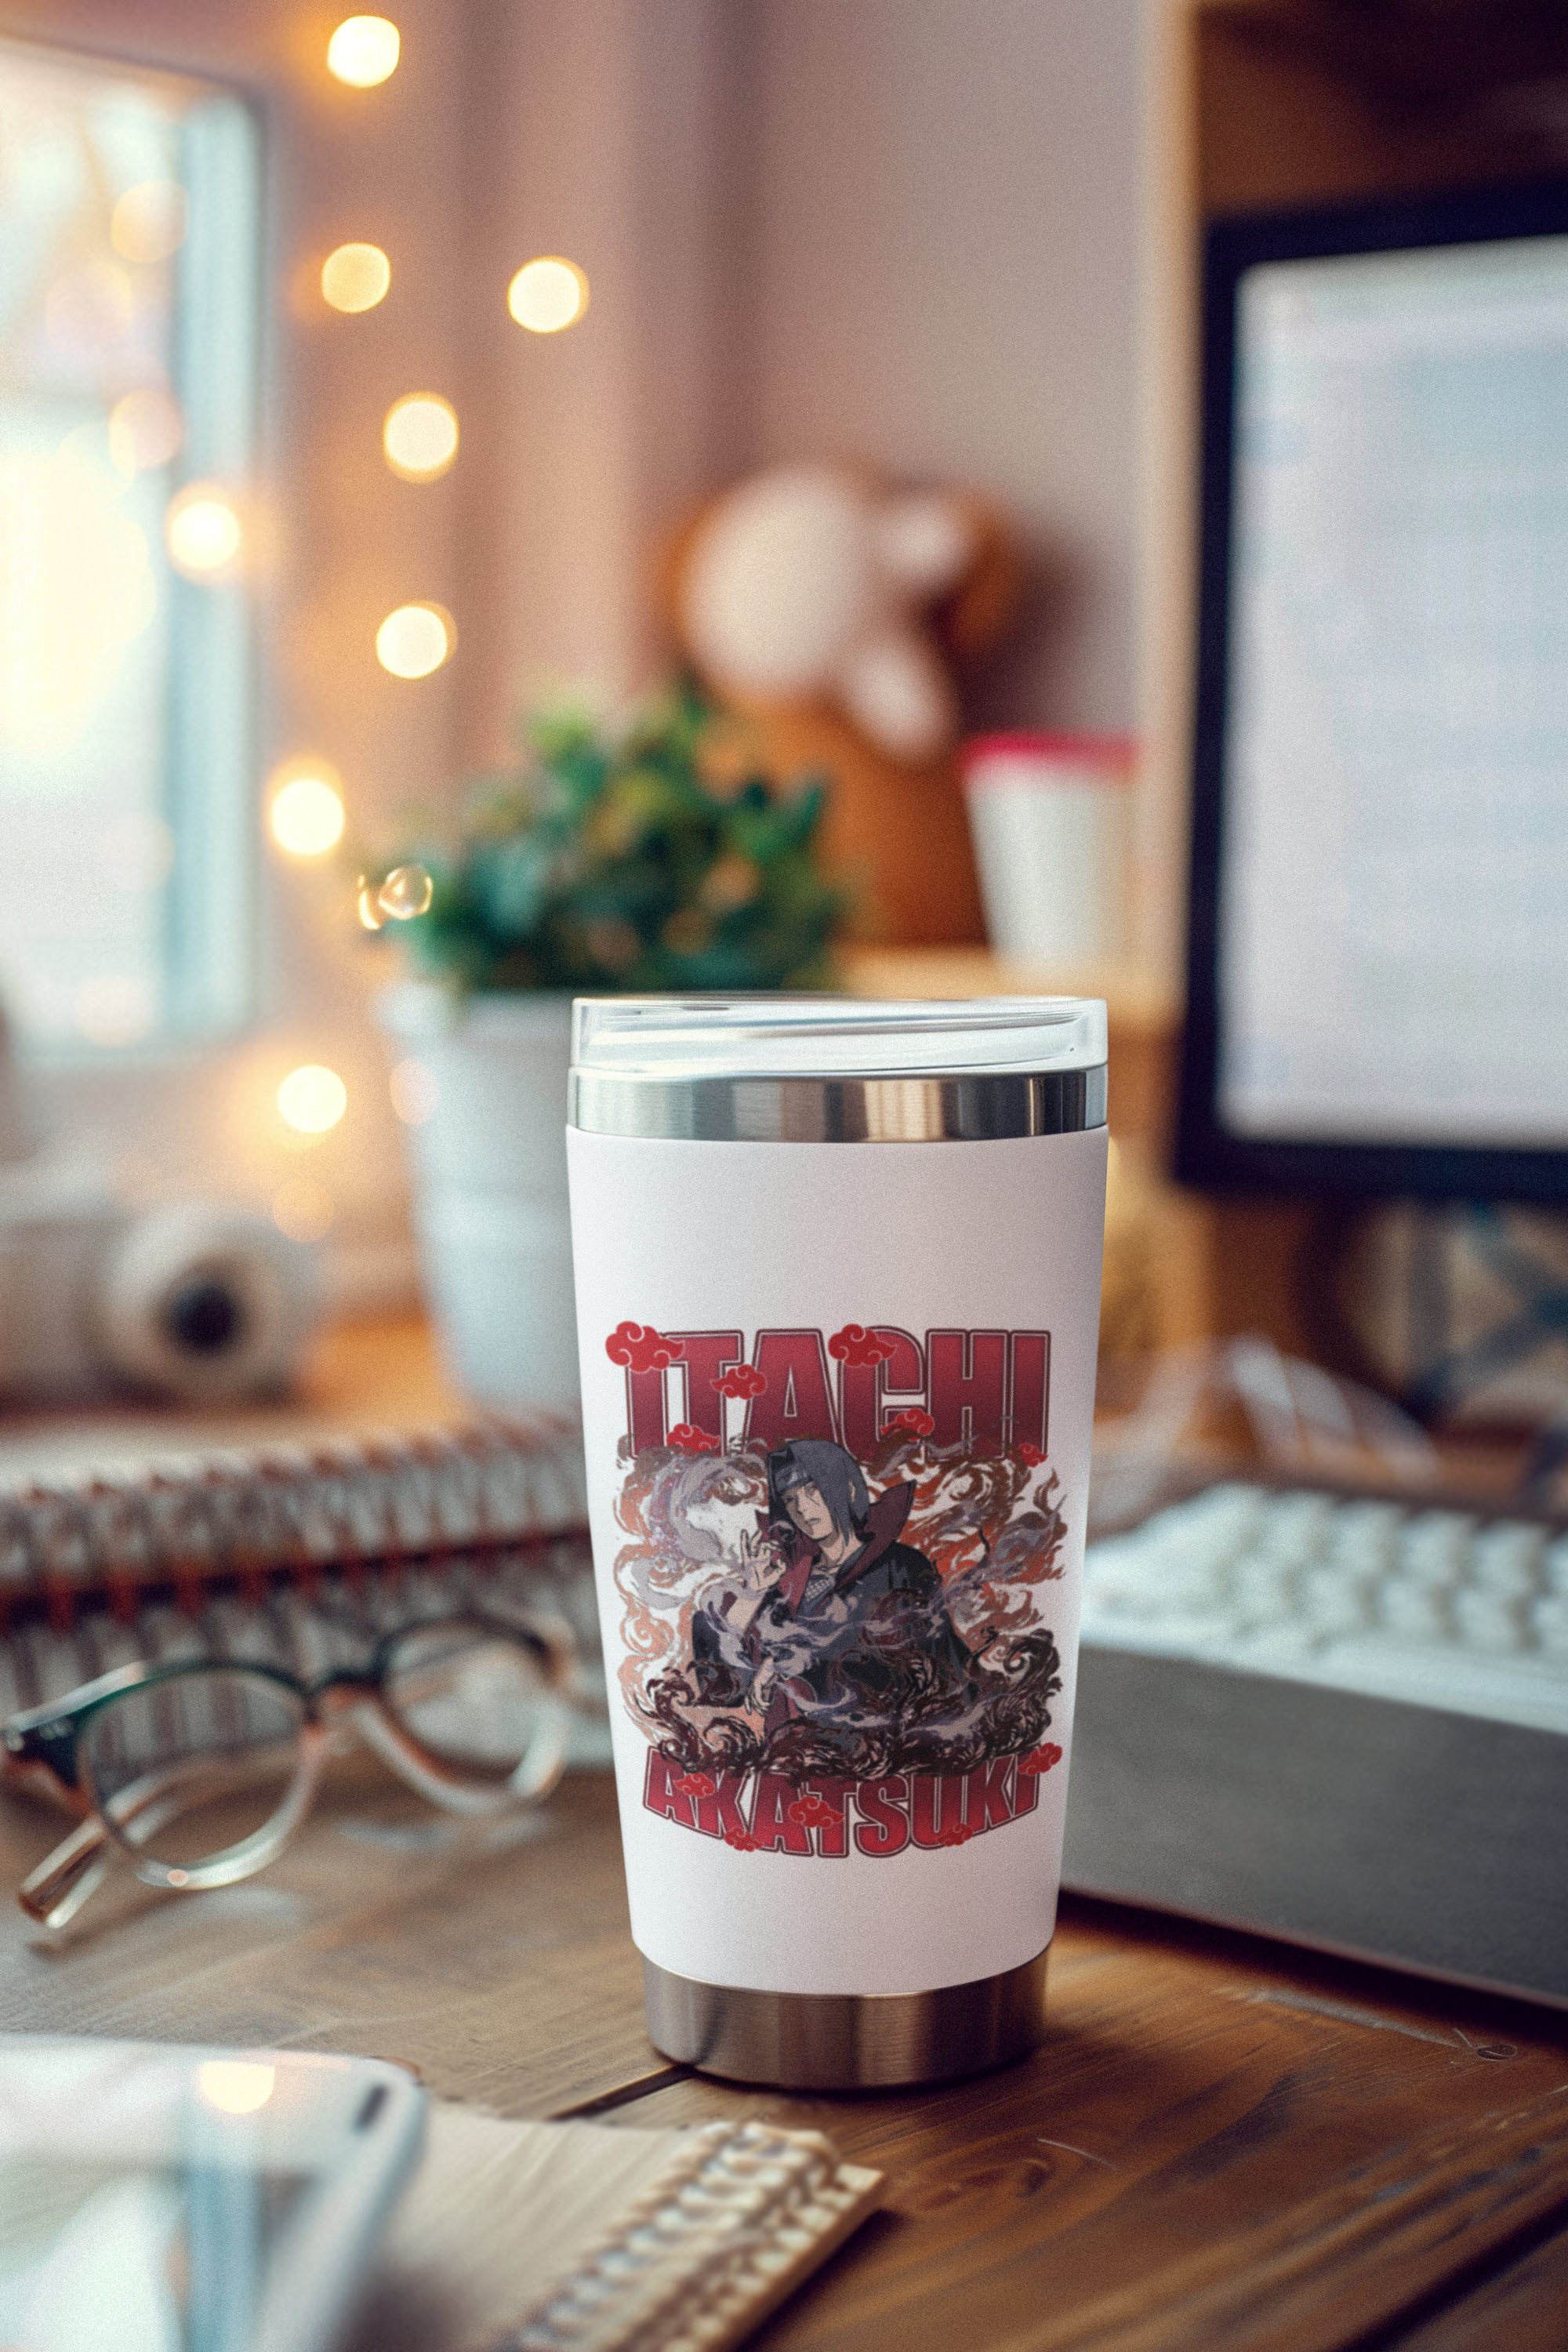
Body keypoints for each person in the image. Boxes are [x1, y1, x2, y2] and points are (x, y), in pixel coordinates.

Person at [688, 1437, 977, 1753]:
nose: (802, 1508)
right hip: (797, 1756)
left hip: (881, 1751)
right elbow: (724, 1688)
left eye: (813, 1490)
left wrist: (785, 1666)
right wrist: (753, 1592)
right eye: (790, 1498)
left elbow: (928, 1667)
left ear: (849, 1489)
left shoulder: (901, 1566)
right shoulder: (788, 1582)